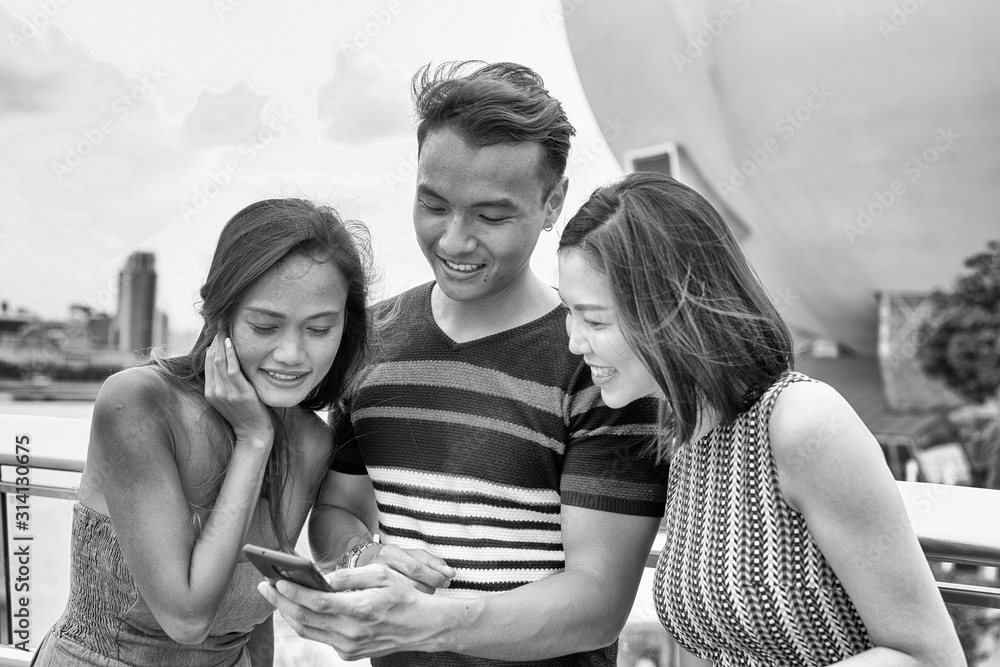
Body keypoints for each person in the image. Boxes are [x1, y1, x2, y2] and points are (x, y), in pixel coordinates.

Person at [258, 62, 668, 666]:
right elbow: (339, 511)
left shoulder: (600, 362)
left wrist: (427, 625)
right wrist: (360, 560)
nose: (453, 241)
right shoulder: (370, 341)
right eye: (433, 205)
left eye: (491, 217)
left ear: (552, 202)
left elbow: (598, 603)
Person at [556, 171, 965, 666]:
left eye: (595, 320)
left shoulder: (801, 422)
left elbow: (929, 657)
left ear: (670, 311)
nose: (575, 342)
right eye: (569, 313)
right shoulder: (686, 433)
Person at [31, 198, 386, 666]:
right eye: (265, 325)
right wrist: (254, 442)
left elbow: (256, 622)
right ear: (223, 315)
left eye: (319, 329)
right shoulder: (137, 404)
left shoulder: (312, 442)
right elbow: (187, 618)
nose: (292, 353)